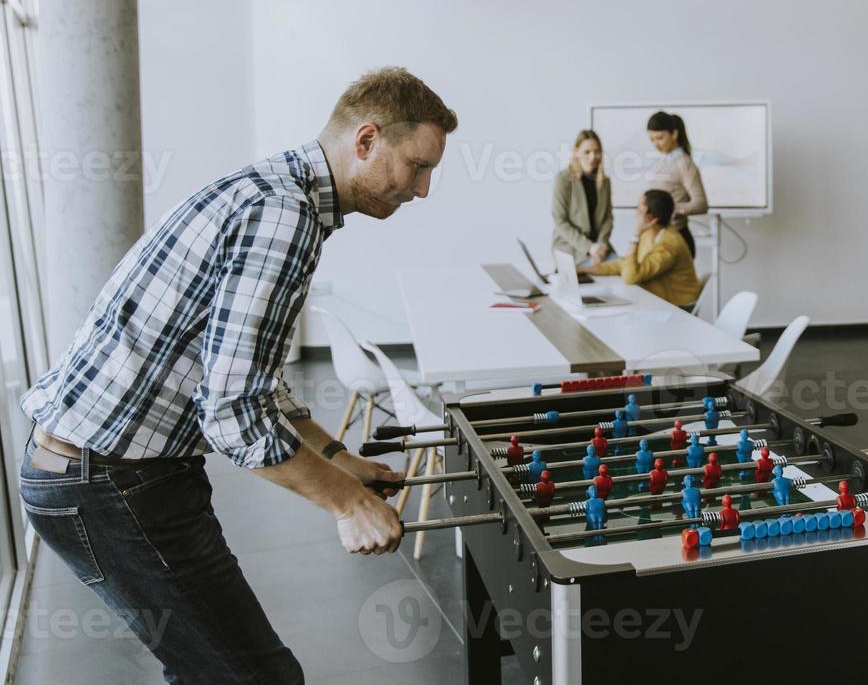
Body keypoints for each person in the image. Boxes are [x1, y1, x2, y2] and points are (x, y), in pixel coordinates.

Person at [19, 67, 458, 683]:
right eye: (417, 166)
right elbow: (230, 411)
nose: (423, 189)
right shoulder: (285, 216)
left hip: (115, 472)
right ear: (366, 140)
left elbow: (254, 375)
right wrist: (347, 501)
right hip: (109, 482)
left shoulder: (274, 193)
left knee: (219, 671)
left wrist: (337, 456)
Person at [582, 188, 700, 309]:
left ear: (649, 217)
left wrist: (634, 236)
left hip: (679, 307)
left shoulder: (669, 244)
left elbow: (630, 277)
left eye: (638, 209)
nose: (635, 213)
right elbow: (625, 263)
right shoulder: (649, 233)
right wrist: (586, 270)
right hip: (658, 300)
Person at [644, 110, 706, 257]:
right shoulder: (661, 162)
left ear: (674, 134)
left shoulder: (685, 163)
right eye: (652, 139)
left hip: (677, 237)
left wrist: (671, 209)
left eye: (659, 138)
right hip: (660, 237)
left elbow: (701, 203)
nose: (656, 144)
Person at [551, 128, 613, 266]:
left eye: (597, 151)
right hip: (572, 248)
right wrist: (589, 247)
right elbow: (560, 220)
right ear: (576, 152)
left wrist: (601, 245)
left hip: (600, 250)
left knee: (624, 273)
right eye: (587, 152)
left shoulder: (605, 182)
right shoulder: (563, 179)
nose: (593, 157)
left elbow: (608, 218)